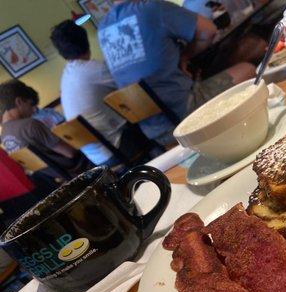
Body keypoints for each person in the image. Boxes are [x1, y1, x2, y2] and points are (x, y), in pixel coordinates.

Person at [98, 0, 256, 147]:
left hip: (153, 131)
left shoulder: (102, 29)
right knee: (248, 67)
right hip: (185, 116)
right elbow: (209, 31)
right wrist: (185, 56)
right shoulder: (152, 8)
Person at [50, 20, 135, 169]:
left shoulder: (66, 76)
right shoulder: (97, 69)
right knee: (148, 119)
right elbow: (131, 86)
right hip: (117, 147)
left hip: (96, 158)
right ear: (86, 41)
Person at [0, 79, 93, 179]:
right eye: (31, 104)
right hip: (81, 170)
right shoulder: (30, 124)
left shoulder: (4, 135)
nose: (33, 110)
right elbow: (69, 152)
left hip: (61, 177)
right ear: (19, 101)